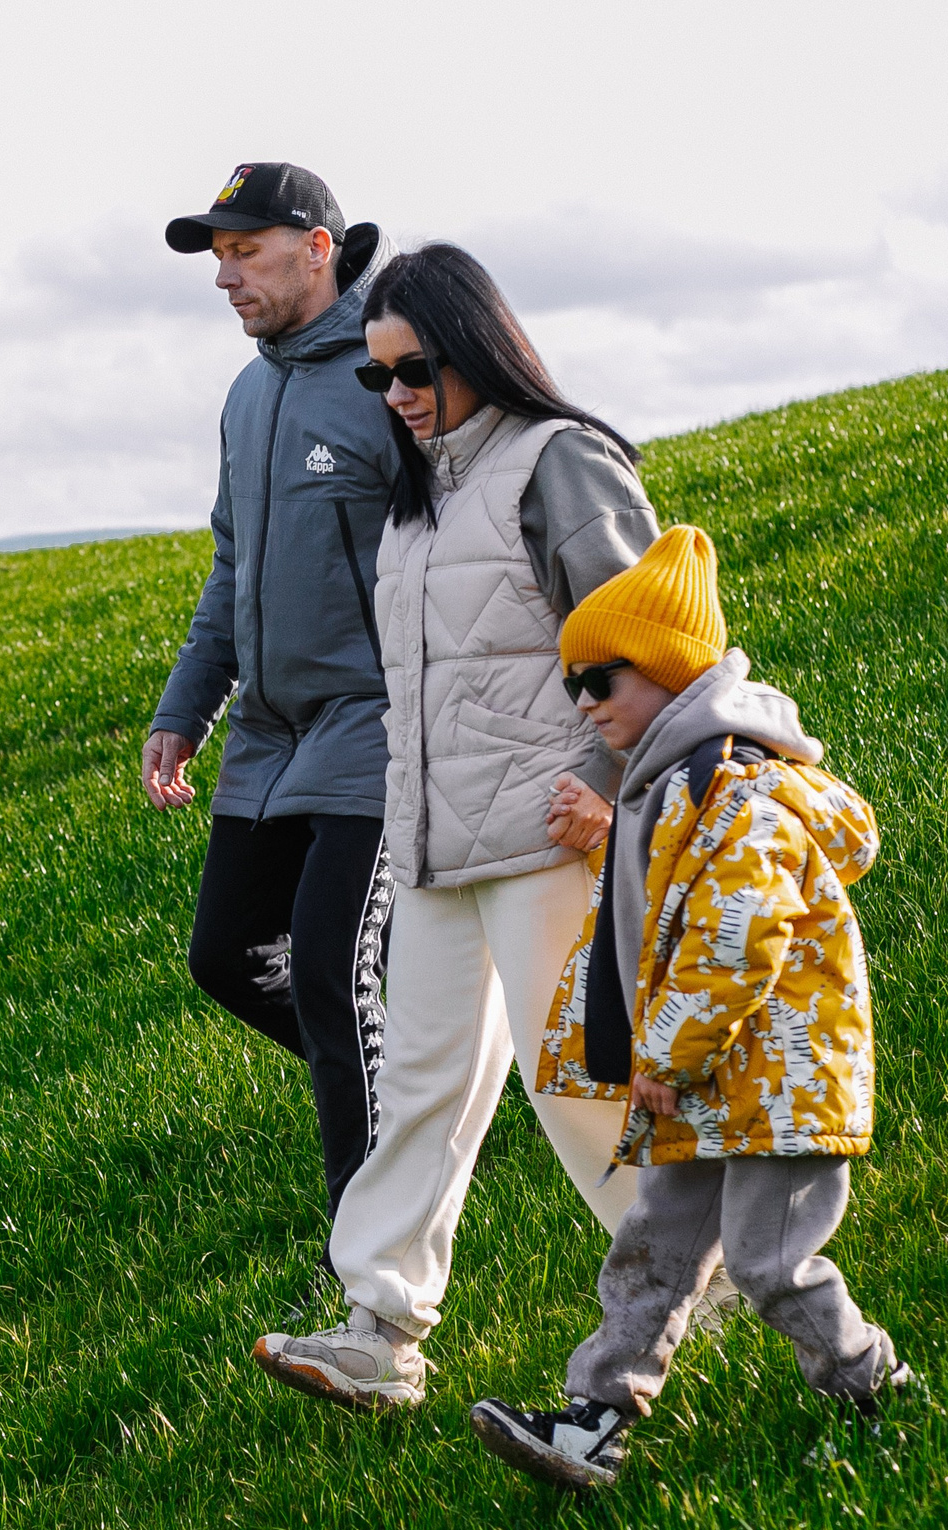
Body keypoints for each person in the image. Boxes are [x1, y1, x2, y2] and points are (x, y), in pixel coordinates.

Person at [251, 243, 674, 1413]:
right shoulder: (418, 498)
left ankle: (724, 1281)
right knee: (421, 1087)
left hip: (547, 835)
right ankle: (379, 1329)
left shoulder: (559, 462)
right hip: (434, 846)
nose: (395, 394)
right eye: (378, 377)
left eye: (416, 368)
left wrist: (603, 775)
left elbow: (651, 636)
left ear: (478, 344)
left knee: (580, 1086)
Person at [470, 525, 910, 1490]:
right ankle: (593, 1422)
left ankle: (873, 1389)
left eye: (603, 680)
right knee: (652, 1249)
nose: (586, 705)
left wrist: (663, 1054)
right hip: (713, 1080)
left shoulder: (739, 796)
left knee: (771, 1263)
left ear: (670, 673)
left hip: (780, 1083)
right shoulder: (673, 790)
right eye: (572, 684)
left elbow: (734, 943)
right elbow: (654, 923)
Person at [143, 163, 399, 1232]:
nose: (226, 277)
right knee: (224, 954)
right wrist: (183, 708)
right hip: (267, 739)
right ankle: (411, 1095)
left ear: (317, 246)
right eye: (218, 257)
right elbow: (231, 565)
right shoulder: (248, 395)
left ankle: (369, 1249)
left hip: (376, 732)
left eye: (244, 251)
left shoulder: (394, 374)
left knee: (336, 983)